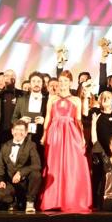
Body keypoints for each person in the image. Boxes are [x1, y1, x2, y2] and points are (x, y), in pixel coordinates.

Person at [40, 70, 92, 212]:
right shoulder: (52, 99)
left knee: (72, 165)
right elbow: (47, 118)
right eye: (61, 81)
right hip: (55, 133)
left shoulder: (76, 100)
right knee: (54, 164)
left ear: (70, 82)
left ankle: (71, 198)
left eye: (65, 81)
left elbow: (79, 120)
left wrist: (82, 138)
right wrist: (44, 135)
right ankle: (54, 199)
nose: (63, 84)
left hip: (71, 133)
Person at [0, 120, 42, 213]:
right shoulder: (5, 146)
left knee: (36, 175)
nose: (19, 132)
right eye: (16, 129)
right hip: (10, 181)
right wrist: (1, 180)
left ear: (26, 133)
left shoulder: (31, 145)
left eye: (22, 130)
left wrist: (21, 173)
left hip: (25, 182)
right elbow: (0, 166)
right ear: (12, 131)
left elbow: (37, 165)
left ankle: (30, 202)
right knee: (1, 194)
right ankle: (13, 203)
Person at [12, 72, 47, 150]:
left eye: (39, 81)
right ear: (30, 84)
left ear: (42, 84)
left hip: (41, 136)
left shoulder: (47, 100)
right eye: (33, 81)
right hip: (23, 136)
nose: (36, 84)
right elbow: (13, 118)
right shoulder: (21, 100)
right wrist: (21, 120)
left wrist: (44, 121)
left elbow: (53, 119)